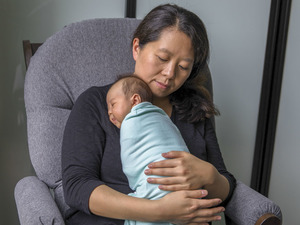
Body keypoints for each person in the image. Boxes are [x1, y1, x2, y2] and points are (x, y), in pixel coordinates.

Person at [62, 3, 236, 225]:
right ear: (137, 48)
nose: (169, 73)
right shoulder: (97, 103)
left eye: (183, 67)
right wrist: (161, 211)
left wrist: (209, 175)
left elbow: (226, 185)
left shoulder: (194, 111)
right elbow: (77, 187)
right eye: (163, 58)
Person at [107, 75, 190, 225]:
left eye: (112, 104)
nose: (109, 112)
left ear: (135, 100)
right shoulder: (162, 117)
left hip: (158, 184)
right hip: (185, 191)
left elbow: (131, 166)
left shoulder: (132, 120)